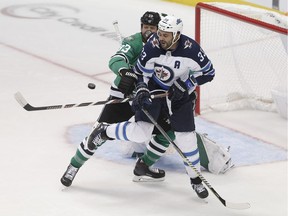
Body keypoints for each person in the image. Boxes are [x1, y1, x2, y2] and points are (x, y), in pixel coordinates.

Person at [87, 15, 216, 199]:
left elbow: (209, 73)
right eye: (160, 33)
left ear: (177, 35)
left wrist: (187, 84)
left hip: (179, 96)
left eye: (165, 35)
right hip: (155, 92)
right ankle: (105, 131)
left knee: (186, 139)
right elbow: (141, 73)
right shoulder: (153, 45)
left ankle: (195, 181)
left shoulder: (191, 49)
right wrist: (141, 88)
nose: (160, 37)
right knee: (141, 132)